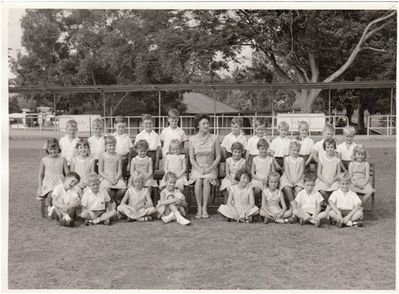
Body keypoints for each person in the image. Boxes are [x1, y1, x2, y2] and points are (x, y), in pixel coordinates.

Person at [189, 113, 221, 219]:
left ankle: (205, 208)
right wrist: (199, 169)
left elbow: (218, 157)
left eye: (207, 123)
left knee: (206, 180)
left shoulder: (215, 138)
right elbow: (191, 159)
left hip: (211, 168)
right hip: (197, 168)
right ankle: (199, 208)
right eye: (204, 123)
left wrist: (209, 169)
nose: (206, 125)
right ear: (198, 126)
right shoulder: (192, 139)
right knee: (198, 180)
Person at [37, 138, 69, 218]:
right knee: (51, 193)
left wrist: (68, 182)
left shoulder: (62, 159)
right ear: (47, 149)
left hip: (60, 181)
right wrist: (40, 186)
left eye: (55, 149)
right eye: (50, 149)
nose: (53, 151)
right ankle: (50, 209)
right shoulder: (44, 160)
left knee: (60, 193)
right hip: (48, 183)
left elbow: (67, 173)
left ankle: (59, 210)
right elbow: (40, 175)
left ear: (58, 148)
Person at [315, 138, 341, 214]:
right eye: (328, 147)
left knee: (336, 191)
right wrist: (325, 181)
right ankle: (330, 205)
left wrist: (332, 181)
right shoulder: (322, 158)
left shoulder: (337, 159)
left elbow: (338, 174)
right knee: (322, 191)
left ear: (334, 148)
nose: (330, 149)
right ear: (325, 148)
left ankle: (329, 207)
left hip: (333, 180)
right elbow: (319, 173)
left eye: (332, 147)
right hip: (323, 180)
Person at [98, 135, 127, 205]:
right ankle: (112, 202)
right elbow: (100, 171)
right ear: (105, 146)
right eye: (110, 145)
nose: (112, 147)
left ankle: (113, 199)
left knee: (123, 189)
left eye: (114, 145)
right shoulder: (102, 156)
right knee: (106, 189)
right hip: (106, 178)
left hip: (116, 177)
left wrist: (116, 178)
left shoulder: (118, 156)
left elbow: (120, 170)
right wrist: (109, 179)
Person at [280, 141, 305, 210]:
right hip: (288, 177)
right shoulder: (287, 159)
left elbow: (301, 171)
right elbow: (287, 171)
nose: (295, 152)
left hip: (298, 177)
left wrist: (296, 180)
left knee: (298, 190)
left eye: (297, 150)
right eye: (294, 150)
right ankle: (294, 207)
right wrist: (290, 179)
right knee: (287, 188)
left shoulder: (301, 160)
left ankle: (292, 208)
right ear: (290, 150)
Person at [250, 138, 274, 206]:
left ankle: (265, 207)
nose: (264, 151)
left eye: (265, 149)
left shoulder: (270, 159)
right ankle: (256, 205)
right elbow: (252, 173)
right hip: (257, 179)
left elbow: (272, 172)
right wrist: (260, 179)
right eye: (262, 149)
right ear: (258, 148)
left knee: (268, 192)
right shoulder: (255, 159)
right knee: (257, 190)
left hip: (268, 179)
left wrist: (268, 179)